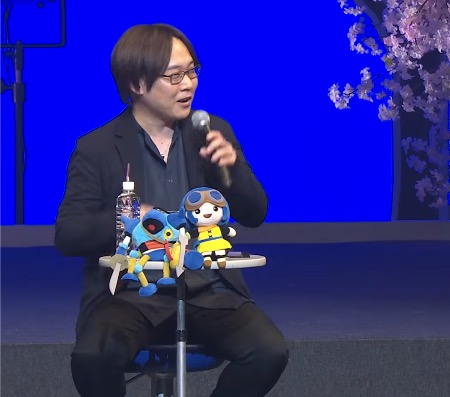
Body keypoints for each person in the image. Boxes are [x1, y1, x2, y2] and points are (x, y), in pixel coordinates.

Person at [54, 23, 288, 397]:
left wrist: (231, 171)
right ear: (137, 84)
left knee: (268, 352)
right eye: (175, 75)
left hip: (208, 290)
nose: (188, 84)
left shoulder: (211, 131)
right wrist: (130, 219)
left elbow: (255, 213)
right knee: (93, 357)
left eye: (192, 71)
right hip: (132, 292)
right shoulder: (96, 148)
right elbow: (69, 234)